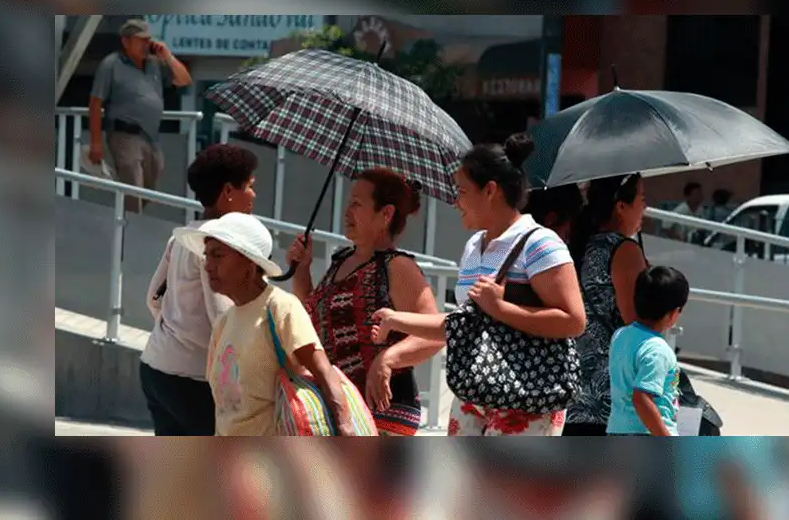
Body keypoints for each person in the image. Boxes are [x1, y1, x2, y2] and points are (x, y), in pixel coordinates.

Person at [371, 132, 586, 436]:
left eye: (461, 191)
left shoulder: (541, 243)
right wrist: (396, 320)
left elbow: (574, 321)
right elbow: (466, 324)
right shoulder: (474, 245)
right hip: (475, 391)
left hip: (528, 398)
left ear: (490, 191)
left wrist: (500, 308)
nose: (455, 201)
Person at [285, 168, 443, 436]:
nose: (347, 212)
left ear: (386, 214)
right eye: (349, 203)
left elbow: (436, 333)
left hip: (382, 410)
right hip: (341, 405)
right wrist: (301, 269)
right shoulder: (341, 261)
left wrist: (388, 359)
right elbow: (311, 319)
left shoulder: (398, 266)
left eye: (357, 204)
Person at [172, 212, 355, 436]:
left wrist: (345, 427)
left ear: (249, 262)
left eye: (218, 255)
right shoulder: (223, 323)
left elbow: (323, 371)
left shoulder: (280, 308)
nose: (208, 266)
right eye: (206, 256)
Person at [141, 144, 257, 436]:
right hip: (193, 382)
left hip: (155, 368)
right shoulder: (218, 246)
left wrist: (178, 331)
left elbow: (153, 298)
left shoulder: (182, 237)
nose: (254, 195)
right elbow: (223, 317)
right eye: (249, 186)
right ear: (228, 191)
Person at [564, 173, 649, 436]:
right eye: (642, 199)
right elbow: (637, 324)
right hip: (613, 398)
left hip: (576, 393)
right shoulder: (624, 251)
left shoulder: (579, 245)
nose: (645, 208)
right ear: (621, 206)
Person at [88, 18, 192, 213]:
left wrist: (168, 56)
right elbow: (95, 103)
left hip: (151, 137)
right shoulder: (111, 64)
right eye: (140, 40)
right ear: (126, 42)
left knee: (149, 189)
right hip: (124, 134)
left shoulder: (154, 64)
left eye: (148, 40)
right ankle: (131, 227)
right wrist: (96, 143)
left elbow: (184, 80)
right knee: (133, 187)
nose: (146, 44)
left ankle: (128, 220)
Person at [607, 266, 689, 436]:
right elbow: (641, 400)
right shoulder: (657, 351)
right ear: (672, 313)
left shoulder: (620, 335)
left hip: (617, 430)